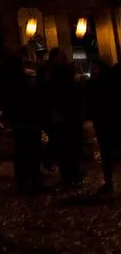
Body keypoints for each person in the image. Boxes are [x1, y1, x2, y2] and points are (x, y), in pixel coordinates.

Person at [0, 56, 41, 193]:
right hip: (28, 119)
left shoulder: (8, 81)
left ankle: (23, 181)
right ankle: (33, 181)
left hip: (19, 120)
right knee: (31, 151)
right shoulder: (24, 80)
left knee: (21, 152)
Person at [43, 49, 83, 187]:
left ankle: (72, 175)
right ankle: (69, 175)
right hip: (62, 114)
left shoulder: (62, 73)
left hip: (65, 114)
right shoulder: (57, 73)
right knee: (65, 147)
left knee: (68, 147)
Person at [90, 59, 121, 194]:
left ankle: (108, 182)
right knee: (108, 153)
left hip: (107, 122)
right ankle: (108, 181)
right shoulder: (108, 81)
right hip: (107, 123)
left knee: (108, 154)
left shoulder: (100, 83)